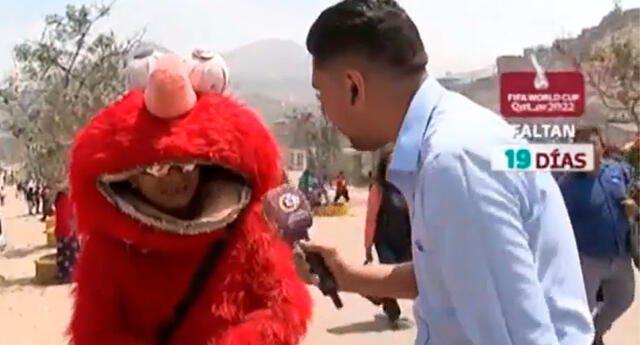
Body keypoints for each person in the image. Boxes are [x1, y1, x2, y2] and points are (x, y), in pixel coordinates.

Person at [297, 1, 594, 344]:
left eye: (322, 97)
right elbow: (452, 277)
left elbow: (518, 337)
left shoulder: (453, 163)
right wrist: (348, 276)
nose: (326, 114)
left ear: (353, 87)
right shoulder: (449, 142)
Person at [558, 127, 638, 345]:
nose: (590, 149)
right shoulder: (566, 185)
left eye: (593, 143)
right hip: (588, 259)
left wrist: (632, 207)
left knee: (624, 299)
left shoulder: (617, 171)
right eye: (583, 145)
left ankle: (594, 335)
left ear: (602, 147)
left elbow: (632, 183)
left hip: (620, 256)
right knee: (581, 309)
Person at [363, 151, 412, 326]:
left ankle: (379, 294)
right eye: (391, 162)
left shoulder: (408, 186)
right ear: (384, 166)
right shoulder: (379, 188)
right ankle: (392, 311)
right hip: (385, 241)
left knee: (413, 275)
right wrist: (368, 247)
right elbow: (371, 219)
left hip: (406, 240)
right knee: (390, 275)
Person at [53, 188, 79, 283]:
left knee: (62, 254)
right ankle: (69, 275)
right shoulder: (68, 200)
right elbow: (71, 216)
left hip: (60, 231)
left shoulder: (59, 200)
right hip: (68, 232)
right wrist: (73, 230)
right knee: (71, 254)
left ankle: (62, 274)